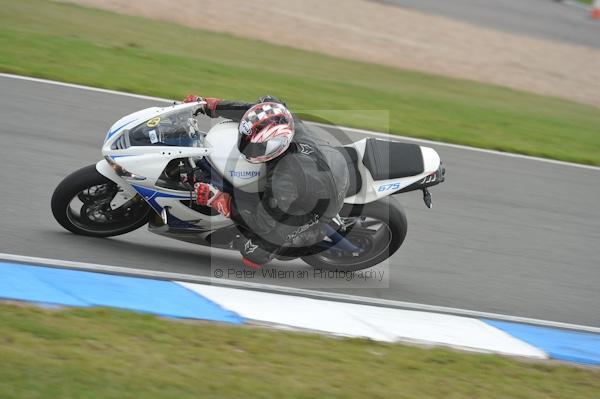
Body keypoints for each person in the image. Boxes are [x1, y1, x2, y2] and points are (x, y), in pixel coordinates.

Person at [183, 94, 349, 268]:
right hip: (328, 161)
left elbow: (262, 223)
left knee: (252, 254)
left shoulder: (284, 179)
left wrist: (218, 200)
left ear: (278, 144)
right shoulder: (280, 115)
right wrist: (213, 106)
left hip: (320, 202)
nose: (251, 149)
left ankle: (313, 235)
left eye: (259, 147)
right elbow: (256, 111)